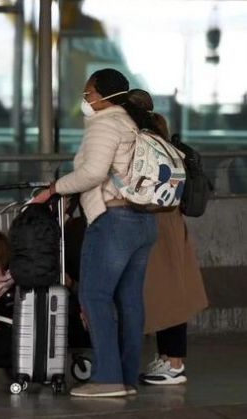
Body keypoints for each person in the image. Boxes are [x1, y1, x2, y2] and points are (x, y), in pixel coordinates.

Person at [31, 68, 159, 398]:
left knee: (94, 296)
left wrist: (54, 189)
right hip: (142, 222)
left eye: (87, 93)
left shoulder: (105, 123)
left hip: (113, 221)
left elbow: (92, 173)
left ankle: (107, 379)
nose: (85, 100)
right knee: (129, 301)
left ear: (102, 95)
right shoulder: (132, 123)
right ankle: (126, 379)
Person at [124, 89, 208, 386]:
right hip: (169, 223)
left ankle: (174, 364)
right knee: (169, 292)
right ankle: (168, 358)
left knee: (167, 294)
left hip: (158, 223)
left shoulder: (144, 140)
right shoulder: (160, 135)